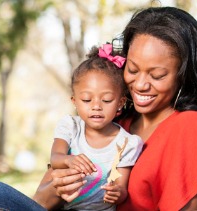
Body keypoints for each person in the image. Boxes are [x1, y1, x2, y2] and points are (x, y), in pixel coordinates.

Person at [41, 7, 197, 211]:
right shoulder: (115, 122)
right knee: (1, 193)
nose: (140, 84)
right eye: (132, 70)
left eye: (157, 76)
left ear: (183, 75)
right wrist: (59, 186)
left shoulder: (188, 126)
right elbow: (41, 199)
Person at [49, 44, 144, 210]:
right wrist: (68, 159)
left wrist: (117, 193)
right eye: (86, 100)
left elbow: (121, 189)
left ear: (120, 103)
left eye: (106, 100)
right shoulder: (70, 127)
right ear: (75, 101)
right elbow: (55, 159)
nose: (96, 107)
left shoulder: (127, 143)